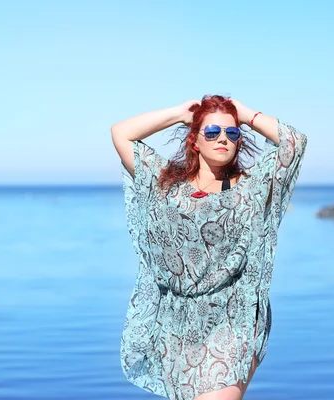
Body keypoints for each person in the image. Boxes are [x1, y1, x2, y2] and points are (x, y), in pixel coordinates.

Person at [111, 95, 308, 400]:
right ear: (194, 141)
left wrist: (243, 113)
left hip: (234, 318)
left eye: (232, 134)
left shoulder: (251, 189)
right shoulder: (165, 184)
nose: (223, 139)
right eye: (212, 132)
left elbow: (294, 142)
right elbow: (121, 132)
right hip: (176, 323)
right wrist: (179, 113)